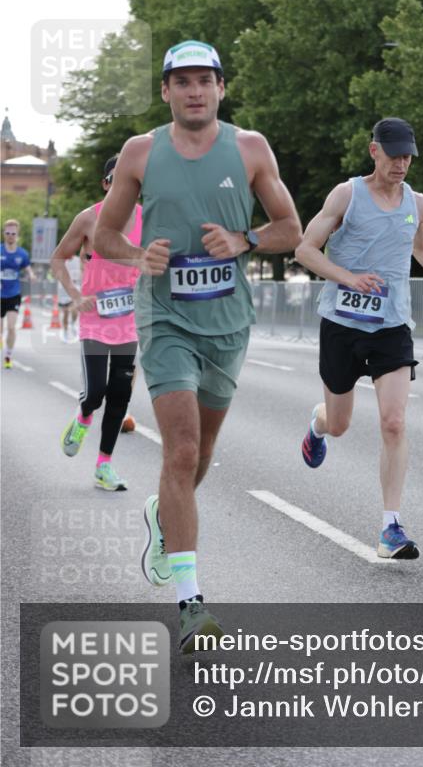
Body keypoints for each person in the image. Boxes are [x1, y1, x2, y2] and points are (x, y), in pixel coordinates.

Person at [94, 39, 302, 653]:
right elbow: (104, 236)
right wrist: (139, 256)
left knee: (201, 453)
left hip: (228, 323)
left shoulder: (250, 148)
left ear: (220, 88)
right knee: (181, 450)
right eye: (181, 81)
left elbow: (291, 228)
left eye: (204, 80)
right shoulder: (141, 152)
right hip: (165, 318)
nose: (193, 91)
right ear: (165, 91)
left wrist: (244, 240)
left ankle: (164, 516)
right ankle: (191, 604)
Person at [295, 118, 423, 559]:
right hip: (342, 323)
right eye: (394, 155)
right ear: (374, 151)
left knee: (394, 422)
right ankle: (318, 426)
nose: (401, 164)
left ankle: (390, 528)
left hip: (392, 325)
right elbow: (304, 249)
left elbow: (421, 246)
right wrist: (348, 278)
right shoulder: (346, 195)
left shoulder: (417, 203)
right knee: (339, 424)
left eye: (407, 157)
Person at [50, 156, 142, 492]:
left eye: (132, 180)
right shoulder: (89, 218)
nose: (125, 187)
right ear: (106, 184)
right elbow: (58, 258)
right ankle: (84, 416)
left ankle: (104, 466)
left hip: (129, 322)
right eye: (117, 179)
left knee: (120, 395)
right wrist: (75, 295)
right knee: (96, 393)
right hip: (94, 320)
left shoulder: (149, 218)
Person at [1, 219, 35, 368]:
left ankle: (8, 356)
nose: (10, 236)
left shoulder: (22, 254)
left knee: (11, 327)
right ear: (4, 234)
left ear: (17, 235)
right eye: (8, 233)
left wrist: (31, 275)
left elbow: (27, 268)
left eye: (13, 234)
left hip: (14, 294)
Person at [57, 253, 82, 340]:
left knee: (75, 309)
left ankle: (73, 323)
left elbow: (81, 273)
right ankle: (65, 331)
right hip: (63, 290)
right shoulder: (61, 260)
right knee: (65, 313)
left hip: (75, 289)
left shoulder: (78, 260)